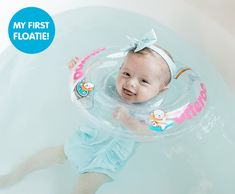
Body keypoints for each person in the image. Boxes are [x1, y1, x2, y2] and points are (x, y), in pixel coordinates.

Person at [0, 29, 176, 194]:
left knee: (82, 190)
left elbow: (150, 137)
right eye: (127, 74)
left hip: (106, 161)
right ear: (120, 68)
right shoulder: (108, 89)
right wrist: (74, 74)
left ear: (161, 89)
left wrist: (128, 120)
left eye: (144, 81)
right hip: (85, 140)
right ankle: (14, 175)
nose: (130, 83)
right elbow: (83, 99)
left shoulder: (156, 112)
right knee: (41, 158)